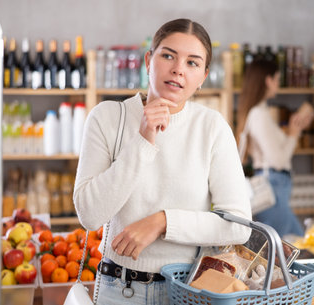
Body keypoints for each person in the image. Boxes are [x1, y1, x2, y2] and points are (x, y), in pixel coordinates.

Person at [73, 18, 251, 305]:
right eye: (168, 55)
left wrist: (163, 222)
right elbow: (90, 215)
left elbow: (239, 226)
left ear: (203, 76)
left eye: (192, 63)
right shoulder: (107, 117)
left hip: (186, 291)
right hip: (119, 289)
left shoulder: (211, 127)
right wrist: (143, 140)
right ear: (148, 60)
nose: (178, 69)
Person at [237, 58, 313, 238]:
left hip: (274, 186)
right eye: (278, 79)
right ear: (268, 80)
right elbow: (278, 160)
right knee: (295, 245)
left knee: (286, 247)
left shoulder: (258, 112)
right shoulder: (259, 115)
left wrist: (296, 131)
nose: (278, 84)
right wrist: (294, 133)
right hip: (272, 187)